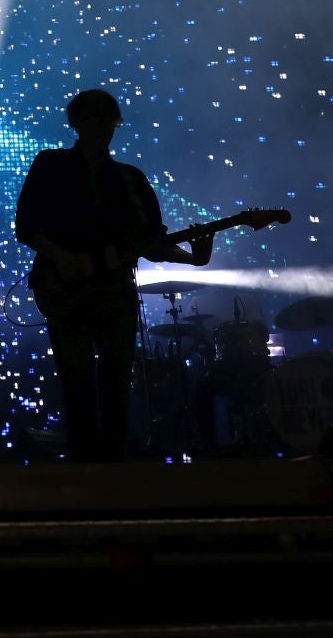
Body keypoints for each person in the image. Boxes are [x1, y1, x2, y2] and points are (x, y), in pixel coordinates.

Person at [16, 89, 212, 462]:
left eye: (110, 120)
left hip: (115, 291)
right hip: (65, 291)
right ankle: (86, 474)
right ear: (77, 123)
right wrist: (62, 257)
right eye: (95, 119)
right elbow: (26, 226)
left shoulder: (130, 179)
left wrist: (193, 258)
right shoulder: (50, 165)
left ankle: (112, 474)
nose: (105, 127)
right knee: (78, 385)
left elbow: (151, 243)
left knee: (116, 386)